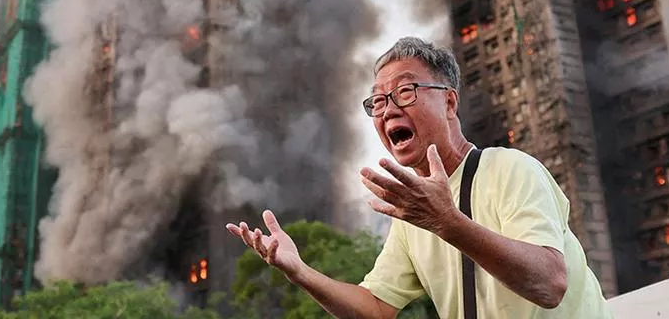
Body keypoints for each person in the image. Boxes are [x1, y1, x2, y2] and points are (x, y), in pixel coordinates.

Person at [226, 36, 614, 318]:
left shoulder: (510, 169)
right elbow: (375, 309)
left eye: (405, 91)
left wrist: (446, 222)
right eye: (378, 100)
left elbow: (549, 284)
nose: (388, 108)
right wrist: (300, 271)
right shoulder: (414, 219)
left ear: (448, 101)